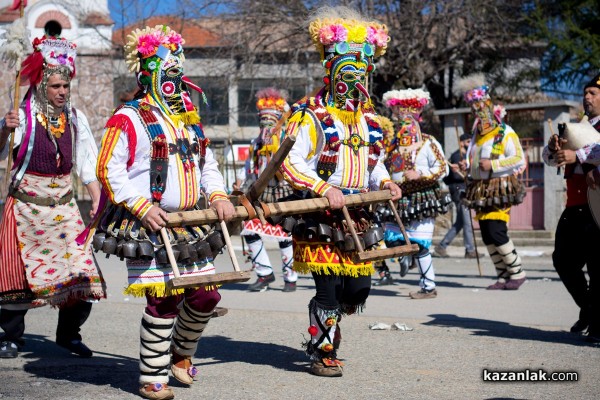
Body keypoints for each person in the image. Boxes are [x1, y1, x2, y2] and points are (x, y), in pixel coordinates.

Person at [95, 25, 235, 400]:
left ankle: (180, 355)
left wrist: (218, 194)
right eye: (165, 71)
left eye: (177, 70)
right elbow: (108, 169)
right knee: (164, 300)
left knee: (207, 298)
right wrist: (141, 206)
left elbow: (207, 164)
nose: (173, 78)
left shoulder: (188, 117)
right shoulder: (128, 116)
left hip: (191, 224)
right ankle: (150, 376)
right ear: (146, 74)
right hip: (150, 223)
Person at [280, 6, 402, 377]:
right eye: (346, 72)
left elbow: (372, 163)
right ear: (330, 71)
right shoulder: (309, 115)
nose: (354, 80)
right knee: (329, 289)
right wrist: (321, 188)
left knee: (359, 290)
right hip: (322, 215)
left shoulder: (369, 122)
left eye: (361, 72)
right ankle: (324, 350)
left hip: (359, 217)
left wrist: (384, 182)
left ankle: (331, 322)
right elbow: (290, 162)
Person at [0, 35, 106, 359]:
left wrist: (99, 206)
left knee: (83, 274)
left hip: (64, 209)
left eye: (66, 85)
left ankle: (69, 334)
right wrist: (4, 129)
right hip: (26, 209)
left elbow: (87, 167)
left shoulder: (76, 119)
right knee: (15, 278)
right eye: (56, 85)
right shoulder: (21, 116)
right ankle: (12, 338)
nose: (62, 91)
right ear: (42, 84)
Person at [373, 88, 449, 298]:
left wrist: (421, 173)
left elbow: (443, 168)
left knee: (420, 244)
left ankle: (428, 287)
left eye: (409, 122)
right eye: (401, 122)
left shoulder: (428, 142)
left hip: (422, 198)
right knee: (391, 238)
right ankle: (407, 258)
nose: (405, 127)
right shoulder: (392, 146)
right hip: (397, 199)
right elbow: (382, 166)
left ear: (417, 121)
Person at [542, 72, 600, 343]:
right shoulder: (578, 126)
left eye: (593, 94)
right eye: (585, 93)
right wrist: (553, 148)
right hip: (575, 204)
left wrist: (575, 154)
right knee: (562, 260)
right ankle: (588, 308)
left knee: (597, 266)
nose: (587, 98)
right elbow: (550, 160)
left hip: (597, 207)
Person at [457, 74, 526, 290]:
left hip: (500, 187)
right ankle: (503, 275)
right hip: (480, 189)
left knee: (497, 230)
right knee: (487, 233)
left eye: (481, 106)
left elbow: (518, 159)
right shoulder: (476, 138)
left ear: (490, 107)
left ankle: (518, 272)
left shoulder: (505, 132)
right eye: (474, 108)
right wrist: (467, 168)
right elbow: (476, 162)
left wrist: (493, 166)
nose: (478, 111)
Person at [240, 88, 298, 292]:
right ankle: (265, 273)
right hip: (261, 194)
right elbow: (249, 166)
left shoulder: (286, 141)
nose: (265, 124)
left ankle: (291, 277)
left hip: (283, 192)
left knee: (285, 234)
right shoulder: (255, 143)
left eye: (270, 119)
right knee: (249, 230)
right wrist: (241, 181)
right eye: (262, 120)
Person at [433, 133, 477, 258]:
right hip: (459, 191)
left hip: (464, 190)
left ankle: (441, 247)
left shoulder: (467, 156)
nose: (470, 144)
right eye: (468, 141)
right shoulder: (457, 156)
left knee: (460, 222)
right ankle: (470, 250)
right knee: (467, 221)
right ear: (462, 142)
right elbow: (455, 176)